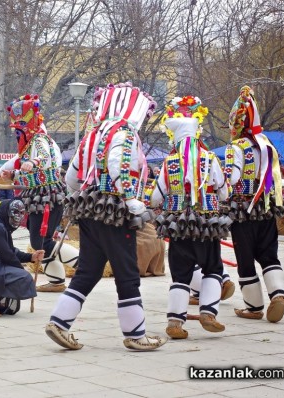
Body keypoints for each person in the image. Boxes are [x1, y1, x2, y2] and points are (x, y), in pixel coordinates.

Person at [46, 82, 166, 351]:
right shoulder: (123, 133)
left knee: (88, 270)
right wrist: (130, 199)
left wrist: (87, 193)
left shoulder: (93, 134)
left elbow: (72, 177)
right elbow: (119, 166)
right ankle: (135, 333)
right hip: (113, 210)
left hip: (89, 209)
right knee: (127, 271)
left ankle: (59, 322)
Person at [150, 95, 231, 339]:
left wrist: (160, 205)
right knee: (213, 268)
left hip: (177, 224)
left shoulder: (169, 162)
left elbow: (156, 196)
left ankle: (175, 321)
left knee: (180, 273)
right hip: (206, 224)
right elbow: (224, 191)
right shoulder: (211, 159)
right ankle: (208, 313)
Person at [0, 94, 78, 293]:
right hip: (38, 196)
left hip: (47, 196)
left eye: (20, 126)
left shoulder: (40, 140)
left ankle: (82, 265)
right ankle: (56, 280)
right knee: (39, 241)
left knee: (42, 240)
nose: (18, 131)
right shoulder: (30, 143)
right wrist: (13, 173)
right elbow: (33, 170)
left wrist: (32, 162)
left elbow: (43, 159)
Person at [224, 86, 284, 323]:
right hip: (267, 207)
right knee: (270, 255)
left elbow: (231, 178)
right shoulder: (266, 145)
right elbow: (277, 179)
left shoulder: (236, 147)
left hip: (242, 210)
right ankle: (279, 294)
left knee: (245, 257)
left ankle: (254, 306)